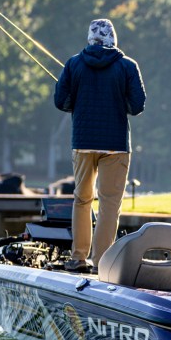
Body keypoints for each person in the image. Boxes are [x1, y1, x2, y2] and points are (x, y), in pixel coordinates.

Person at [54, 18, 146, 272]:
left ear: (90, 37)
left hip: (83, 142)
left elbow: (61, 101)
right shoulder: (127, 65)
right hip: (115, 144)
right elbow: (137, 106)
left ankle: (78, 258)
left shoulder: (73, 64)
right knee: (109, 204)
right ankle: (102, 263)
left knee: (82, 200)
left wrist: (77, 101)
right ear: (112, 37)